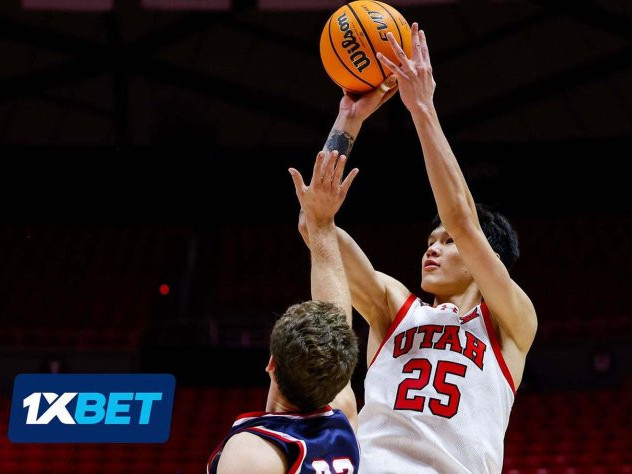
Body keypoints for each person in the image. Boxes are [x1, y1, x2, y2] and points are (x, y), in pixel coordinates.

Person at [298, 23, 538, 473]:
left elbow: (464, 223)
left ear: (489, 260)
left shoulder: (511, 322)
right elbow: (316, 227)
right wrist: (347, 121)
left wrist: (422, 107)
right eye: (430, 241)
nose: (433, 249)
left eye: (446, 243)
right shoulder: (395, 305)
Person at [208, 151, 361, 474]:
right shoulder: (342, 419)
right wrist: (349, 119)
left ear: (271, 363)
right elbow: (335, 322)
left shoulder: (253, 450)